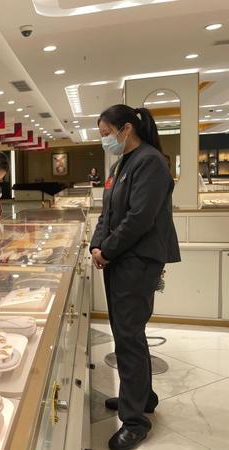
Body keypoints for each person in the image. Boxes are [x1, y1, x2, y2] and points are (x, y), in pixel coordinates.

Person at [90, 104, 180, 450]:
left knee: (128, 336)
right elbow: (107, 212)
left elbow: (140, 217)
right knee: (128, 333)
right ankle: (142, 397)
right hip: (119, 258)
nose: (104, 140)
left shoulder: (151, 162)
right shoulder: (121, 165)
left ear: (126, 128)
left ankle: (134, 420)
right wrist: (96, 245)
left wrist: (108, 250)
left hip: (138, 260)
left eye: (106, 134)